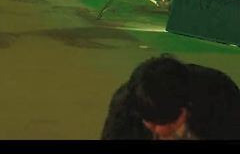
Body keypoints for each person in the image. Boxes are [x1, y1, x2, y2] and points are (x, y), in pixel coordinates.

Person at [102, 54, 240, 140]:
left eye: (172, 124)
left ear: (187, 105)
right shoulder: (125, 107)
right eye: (152, 124)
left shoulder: (221, 95)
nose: (161, 131)